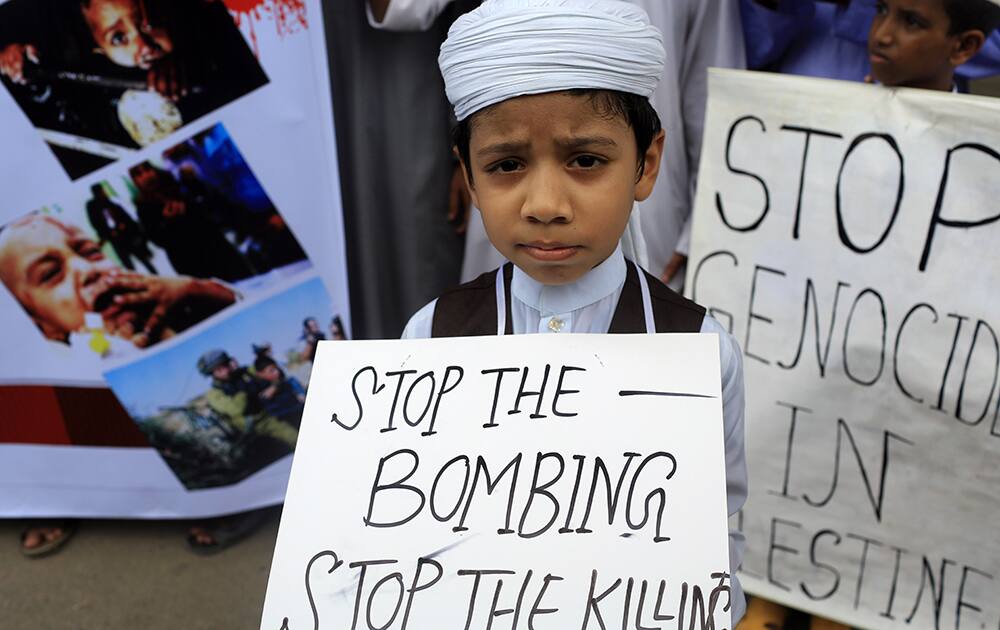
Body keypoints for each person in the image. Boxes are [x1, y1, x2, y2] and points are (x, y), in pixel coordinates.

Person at [402, 0, 748, 622]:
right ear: (470, 177)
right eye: (506, 165)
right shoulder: (431, 335)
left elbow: (716, 528)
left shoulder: (700, 349)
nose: (546, 204)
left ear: (645, 165)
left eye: (585, 161)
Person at [366, 0, 746, 289]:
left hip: (648, 204)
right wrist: (494, 162)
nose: (547, 207)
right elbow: (400, 8)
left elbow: (715, 87)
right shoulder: (432, 330)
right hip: (505, 182)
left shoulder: (706, 341)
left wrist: (704, 226)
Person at [0, 213, 236, 349]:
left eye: (90, 251)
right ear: (42, 326)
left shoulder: (181, 307)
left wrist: (195, 289)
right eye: (51, 273)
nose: (87, 269)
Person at [740, 0, 1000, 89]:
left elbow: (988, 36)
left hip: (925, 135)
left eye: (910, 21)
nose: (881, 36)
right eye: (881, 8)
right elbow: (737, 52)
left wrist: (858, 5)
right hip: (787, 131)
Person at [130, 161, 254, 283]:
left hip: (214, 246)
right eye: (139, 174)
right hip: (189, 260)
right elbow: (156, 239)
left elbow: (209, 205)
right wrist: (168, 222)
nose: (146, 176)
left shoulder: (177, 185)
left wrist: (194, 184)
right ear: (135, 181)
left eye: (147, 170)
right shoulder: (144, 207)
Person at [85, 183, 157, 274]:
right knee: (129, 265)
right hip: (116, 238)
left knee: (142, 259)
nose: (103, 193)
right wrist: (108, 233)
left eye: (102, 191)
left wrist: (124, 226)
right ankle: (138, 281)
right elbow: (95, 222)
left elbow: (126, 218)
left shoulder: (111, 203)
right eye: (100, 191)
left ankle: (154, 275)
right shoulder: (93, 206)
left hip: (126, 235)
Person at [253, 352, 306, 429]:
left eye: (276, 368)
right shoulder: (259, 389)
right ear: (260, 374)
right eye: (271, 370)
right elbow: (265, 397)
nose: (276, 372)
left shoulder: (286, 382)